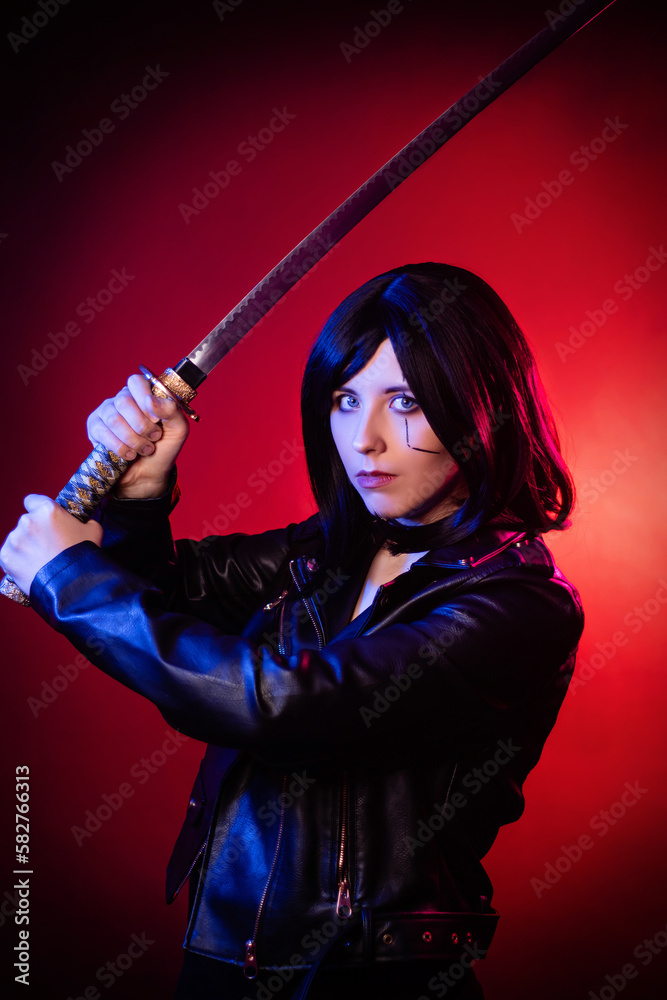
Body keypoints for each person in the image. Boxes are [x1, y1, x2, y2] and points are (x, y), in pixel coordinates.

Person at [0, 262, 584, 999]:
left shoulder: (521, 605)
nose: (364, 439)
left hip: (372, 983)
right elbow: (171, 599)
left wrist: (68, 580)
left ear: (482, 407)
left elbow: (284, 706)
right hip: (225, 962)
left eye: (405, 400)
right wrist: (140, 498)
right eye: (345, 399)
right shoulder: (325, 552)